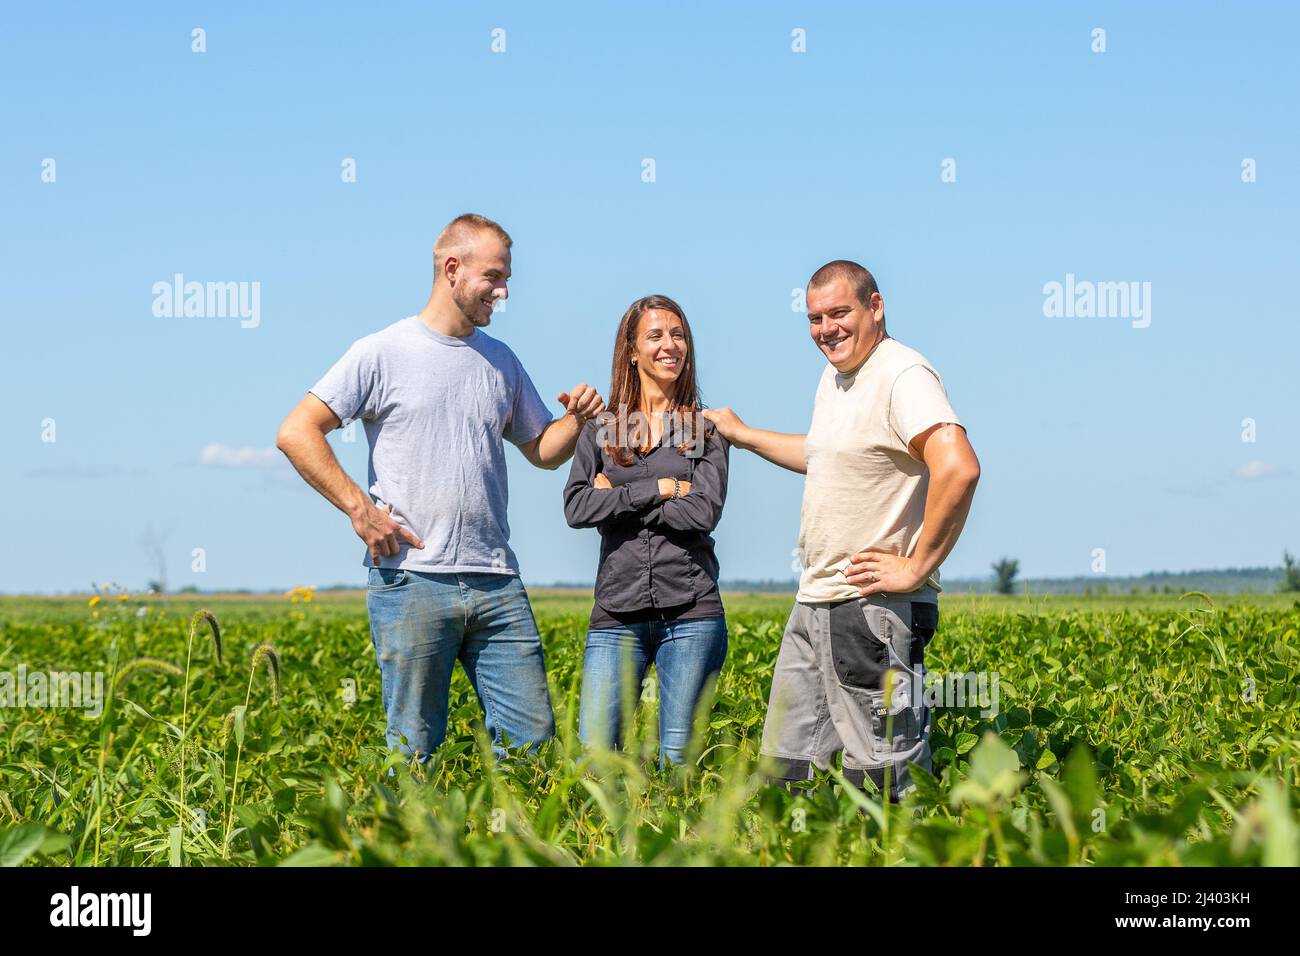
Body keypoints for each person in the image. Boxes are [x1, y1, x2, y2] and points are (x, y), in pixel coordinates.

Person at [275, 213, 605, 762]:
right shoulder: (382, 352)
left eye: (506, 282)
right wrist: (360, 509)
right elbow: (296, 432)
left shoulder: (501, 361)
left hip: (497, 578)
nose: (502, 293)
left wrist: (580, 419)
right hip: (412, 581)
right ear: (452, 269)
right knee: (415, 751)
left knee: (531, 747)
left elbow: (542, 451)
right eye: (494, 278)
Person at [704, 261, 980, 799]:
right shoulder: (838, 378)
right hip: (818, 599)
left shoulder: (902, 374)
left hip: (870, 607)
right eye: (814, 319)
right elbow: (824, 456)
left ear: (875, 307)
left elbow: (959, 465)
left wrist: (917, 565)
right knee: (790, 766)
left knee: (882, 771)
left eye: (839, 313)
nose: (826, 329)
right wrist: (742, 434)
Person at [563, 295, 729, 768]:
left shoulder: (704, 430)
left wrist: (616, 491)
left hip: (692, 612)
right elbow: (576, 507)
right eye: (655, 335)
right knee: (595, 759)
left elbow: (702, 514)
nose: (669, 345)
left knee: (678, 761)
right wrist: (661, 489)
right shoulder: (601, 428)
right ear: (632, 350)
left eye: (677, 335)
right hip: (616, 613)